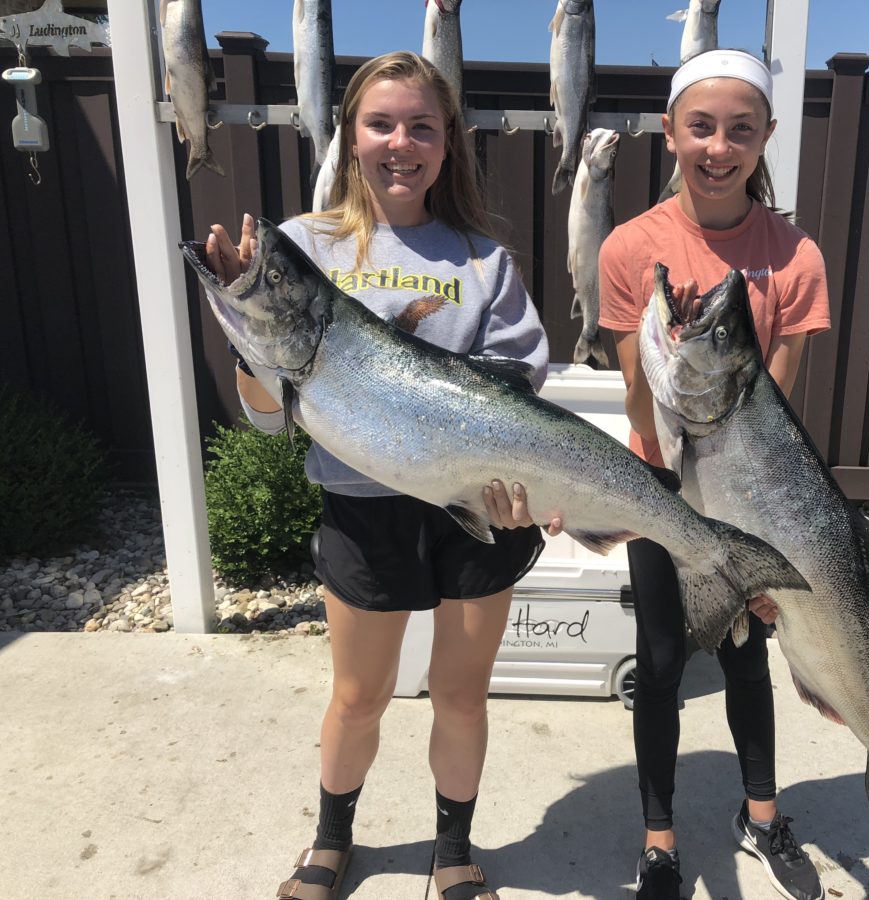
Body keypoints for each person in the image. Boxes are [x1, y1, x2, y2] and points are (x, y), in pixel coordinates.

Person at [203, 51, 560, 900]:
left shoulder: (485, 261)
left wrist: (528, 486)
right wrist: (246, 316)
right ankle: (332, 840)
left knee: (460, 698)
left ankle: (453, 849)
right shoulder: (300, 245)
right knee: (358, 697)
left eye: (422, 126)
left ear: (448, 145)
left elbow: (520, 390)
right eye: (381, 123)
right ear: (351, 135)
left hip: (475, 506)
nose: (401, 143)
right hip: (361, 507)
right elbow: (263, 414)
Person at [598, 49, 832, 900]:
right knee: (660, 663)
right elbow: (635, 398)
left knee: (746, 657)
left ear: (766, 135)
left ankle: (762, 818)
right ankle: (660, 842)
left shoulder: (793, 254)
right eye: (701, 126)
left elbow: (777, 410)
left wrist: (759, 530)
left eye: (740, 129)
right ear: (671, 132)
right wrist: (662, 358)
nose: (719, 146)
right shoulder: (630, 247)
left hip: (749, 495)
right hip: (660, 490)